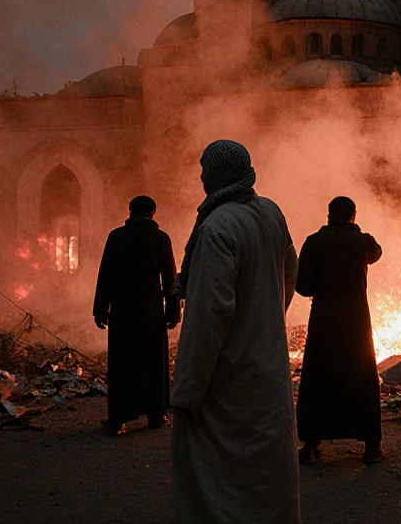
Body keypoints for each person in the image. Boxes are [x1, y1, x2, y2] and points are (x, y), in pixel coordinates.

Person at [170, 140, 300, 524]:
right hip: (269, 376)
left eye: (204, 169)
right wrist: (265, 318)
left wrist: (188, 391)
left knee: (218, 487)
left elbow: (208, 315)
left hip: (228, 385)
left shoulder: (217, 228)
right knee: (267, 485)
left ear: (216, 174)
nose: (201, 176)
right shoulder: (270, 212)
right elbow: (290, 272)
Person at [294, 196, 384, 465]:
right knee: (362, 380)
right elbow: (377, 252)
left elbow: (302, 286)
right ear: (353, 216)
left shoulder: (314, 242)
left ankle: (310, 445)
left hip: (324, 321)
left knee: (318, 379)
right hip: (356, 324)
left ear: (328, 215)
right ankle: (370, 447)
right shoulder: (363, 242)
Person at [93, 195, 179, 435]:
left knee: (122, 364)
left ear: (130, 212)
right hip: (151, 311)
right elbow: (170, 279)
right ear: (153, 213)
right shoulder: (161, 239)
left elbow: (106, 276)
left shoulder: (116, 237)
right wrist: (172, 311)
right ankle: (157, 415)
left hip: (122, 310)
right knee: (154, 363)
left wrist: (100, 309)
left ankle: (118, 419)